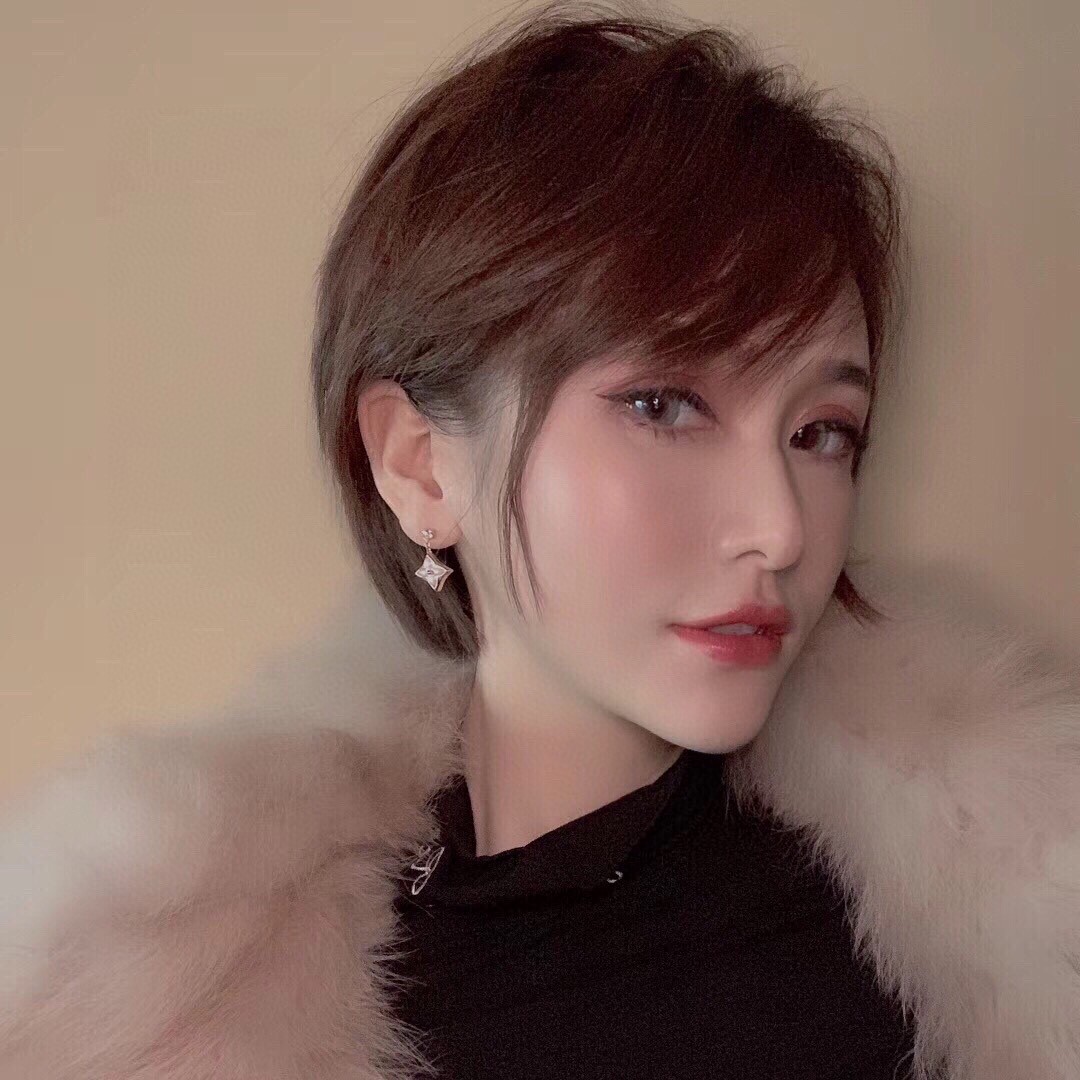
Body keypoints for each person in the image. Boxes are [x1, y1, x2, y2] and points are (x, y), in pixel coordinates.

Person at [2, 4, 1078, 1079]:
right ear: (421, 466)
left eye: (822, 431)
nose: (783, 527)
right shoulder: (161, 1003)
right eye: (664, 405)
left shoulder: (989, 912)